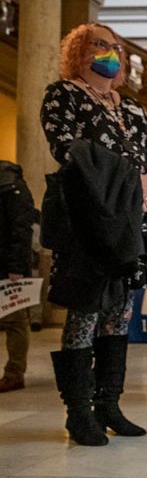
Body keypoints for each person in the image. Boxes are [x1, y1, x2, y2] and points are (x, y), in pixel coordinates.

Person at [40, 22, 147, 446]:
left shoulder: (128, 107)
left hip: (133, 221)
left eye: (116, 47)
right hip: (90, 221)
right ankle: (78, 412)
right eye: (101, 45)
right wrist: (129, 180)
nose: (110, 52)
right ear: (81, 51)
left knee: (121, 313)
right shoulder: (64, 95)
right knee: (85, 312)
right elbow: (68, 150)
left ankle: (109, 404)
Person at [0, 161, 36, 393]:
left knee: (15, 320)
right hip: (7, 261)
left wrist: (17, 267)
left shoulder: (12, 187)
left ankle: (14, 373)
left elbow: (21, 229)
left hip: (7, 265)